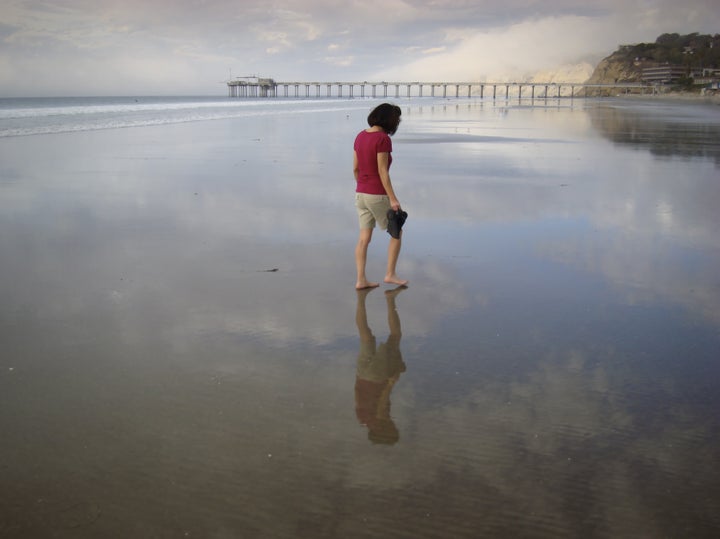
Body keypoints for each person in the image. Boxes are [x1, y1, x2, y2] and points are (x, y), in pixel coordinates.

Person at [353, 103, 408, 289]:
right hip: (377, 193)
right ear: (390, 120)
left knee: (363, 239)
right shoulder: (382, 139)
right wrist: (392, 198)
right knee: (396, 231)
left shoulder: (360, 136)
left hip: (360, 193)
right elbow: (382, 171)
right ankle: (390, 274)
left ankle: (361, 280)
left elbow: (355, 168)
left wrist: (362, 185)